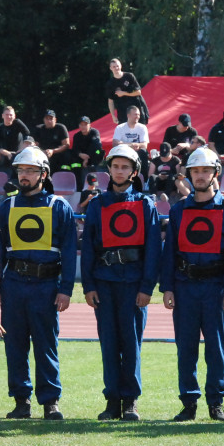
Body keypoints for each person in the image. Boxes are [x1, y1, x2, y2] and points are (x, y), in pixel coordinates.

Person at [160, 147, 224, 422]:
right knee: (186, 348)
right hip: (184, 287)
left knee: (216, 349)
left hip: (216, 288)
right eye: (195, 171)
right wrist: (168, 287)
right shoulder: (178, 210)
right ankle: (188, 403)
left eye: (205, 170)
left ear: (215, 173)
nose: (199, 176)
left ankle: (216, 402)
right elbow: (169, 251)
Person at [80, 144, 161, 421]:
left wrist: (147, 287)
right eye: (115, 166)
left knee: (131, 342)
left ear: (134, 171)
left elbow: (153, 249)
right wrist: (88, 286)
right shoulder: (97, 204)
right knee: (109, 343)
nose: (119, 171)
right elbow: (88, 248)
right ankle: (112, 399)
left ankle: (130, 401)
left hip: (134, 282)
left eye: (125, 166)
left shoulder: (145, 204)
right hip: (104, 282)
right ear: (109, 169)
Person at [0, 147, 76, 420]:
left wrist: (66, 290)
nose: (24, 175)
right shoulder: (7, 206)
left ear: (44, 174)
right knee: (14, 345)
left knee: (46, 345)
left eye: (30, 170)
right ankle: (21, 401)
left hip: (46, 285)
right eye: (21, 170)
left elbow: (69, 251)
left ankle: (50, 401)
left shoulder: (59, 207)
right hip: (14, 285)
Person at [106, 58, 149, 125]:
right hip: (122, 112)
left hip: (136, 109)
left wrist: (124, 93)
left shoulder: (129, 76)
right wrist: (113, 116)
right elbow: (110, 101)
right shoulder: (110, 83)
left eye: (117, 66)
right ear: (110, 68)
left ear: (121, 66)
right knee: (125, 133)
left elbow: (138, 92)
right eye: (114, 67)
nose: (116, 68)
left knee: (140, 131)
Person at [112, 105, 152, 176]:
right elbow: (115, 143)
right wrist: (131, 145)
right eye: (135, 114)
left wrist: (124, 144)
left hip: (137, 152)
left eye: (139, 115)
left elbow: (144, 145)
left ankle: (144, 179)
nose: (138, 117)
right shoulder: (120, 127)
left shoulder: (142, 127)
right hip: (123, 152)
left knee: (143, 152)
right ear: (128, 115)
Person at [0, 106, 31, 173]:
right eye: (6, 115)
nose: (9, 117)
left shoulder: (18, 123)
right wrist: (7, 153)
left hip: (18, 153)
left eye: (11, 115)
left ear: (14, 116)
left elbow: (27, 134)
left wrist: (22, 149)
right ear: (2, 116)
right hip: (4, 154)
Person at [34, 110, 74, 175]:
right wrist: (42, 152)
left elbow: (66, 145)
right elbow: (35, 145)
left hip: (58, 154)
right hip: (42, 154)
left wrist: (53, 151)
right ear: (44, 120)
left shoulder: (61, 128)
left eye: (51, 119)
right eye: (47, 119)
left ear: (55, 119)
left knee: (68, 155)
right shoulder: (39, 128)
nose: (49, 121)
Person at [72, 116, 103, 182]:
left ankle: (95, 181)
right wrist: (80, 154)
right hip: (81, 157)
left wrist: (87, 158)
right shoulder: (76, 136)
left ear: (89, 125)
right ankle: (78, 185)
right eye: (81, 125)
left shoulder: (94, 132)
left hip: (92, 156)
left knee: (98, 151)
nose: (83, 126)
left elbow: (96, 145)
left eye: (85, 124)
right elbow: (75, 148)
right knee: (70, 157)